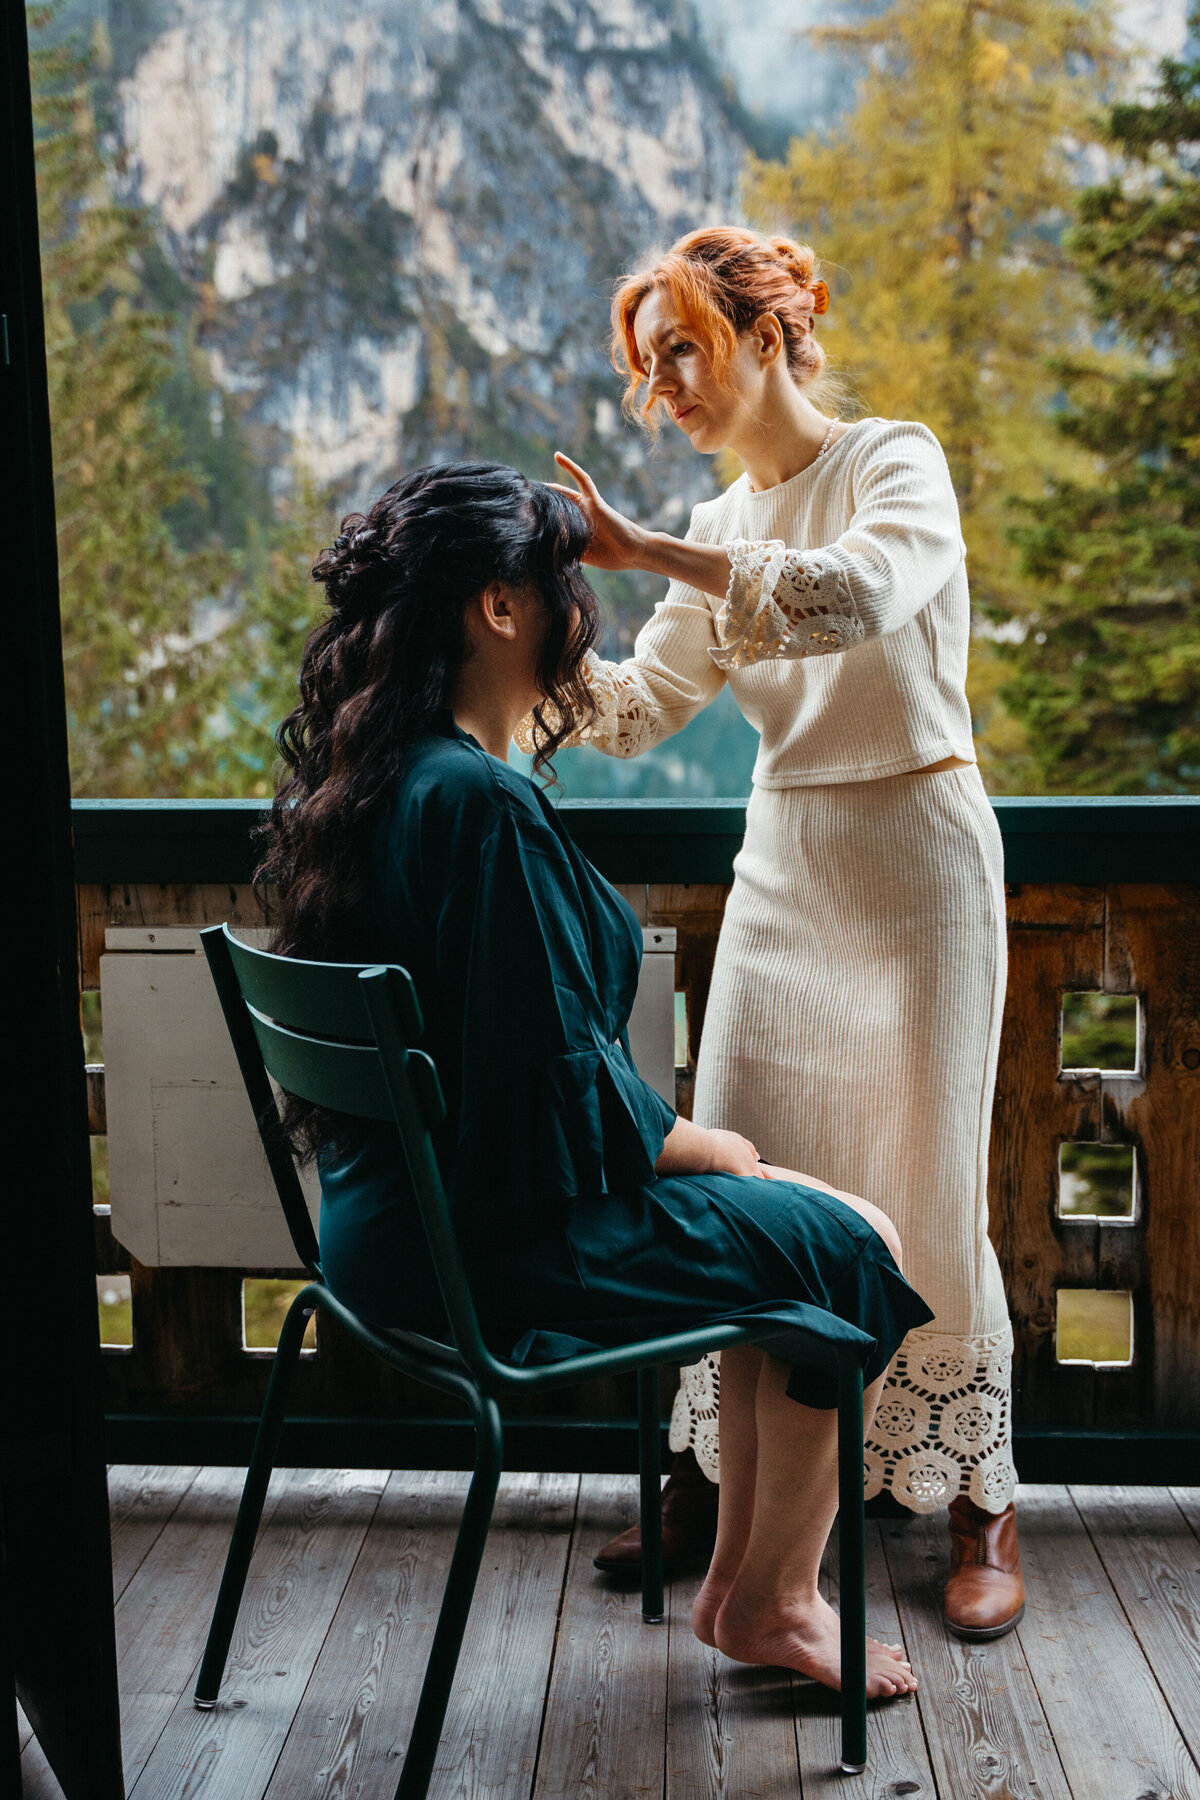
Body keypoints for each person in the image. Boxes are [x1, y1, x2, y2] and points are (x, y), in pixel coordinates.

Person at [256, 458, 931, 1697]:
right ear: (497, 610)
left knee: (797, 1243)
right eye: (560, 578)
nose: (581, 603)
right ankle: (772, 1599)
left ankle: (744, 1590)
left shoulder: (381, 779)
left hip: (377, 1238)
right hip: (493, 1250)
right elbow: (553, 1094)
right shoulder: (483, 811)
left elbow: (510, 1070)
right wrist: (701, 1145)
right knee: (856, 1239)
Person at [524, 225, 1024, 1641]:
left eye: (678, 346)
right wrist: (507, 654)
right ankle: (716, 1476)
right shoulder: (722, 530)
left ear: (762, 329)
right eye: (645, 365)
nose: (660, 385)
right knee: (749, 1158)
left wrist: (644, 546)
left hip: (918, 856)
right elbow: (631, 712)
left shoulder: (892, 460)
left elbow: (857, 594)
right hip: (787, 863)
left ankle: (978, 1496)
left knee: (930, 1174)